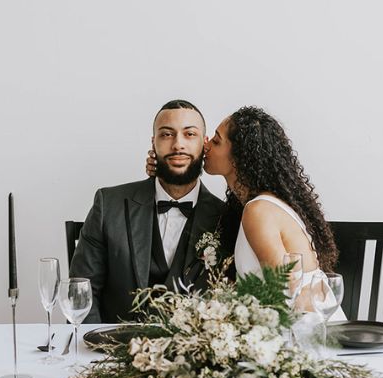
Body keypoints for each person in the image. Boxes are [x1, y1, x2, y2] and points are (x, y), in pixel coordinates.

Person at [71, 99, 225, 324]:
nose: (178, 145)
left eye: (189, 134)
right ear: (154, 143)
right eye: (166, 134)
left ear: (205, 143)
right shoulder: (108, 205)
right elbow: (81, 292)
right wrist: (100, 349)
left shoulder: (226, 217)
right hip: (113, 350)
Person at [203, 106, 344, 317]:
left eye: (216, 141)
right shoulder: (255, 205)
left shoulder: (259, 210)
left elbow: (283, 294)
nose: (206, 145)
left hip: (311, 334)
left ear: (239, 156)